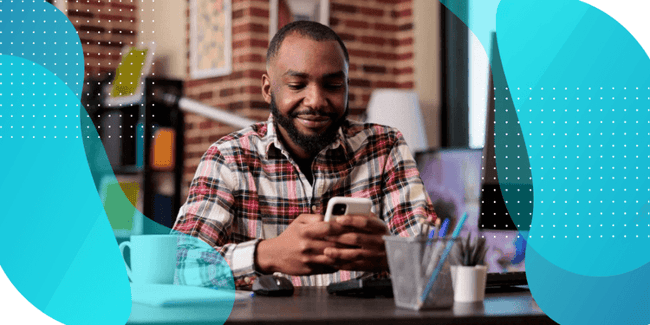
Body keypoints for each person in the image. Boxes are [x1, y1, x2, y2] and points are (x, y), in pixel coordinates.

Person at [172, 21, 436, 289]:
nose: (316, 101)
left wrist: (393, 254)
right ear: (268, 89)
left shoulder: (385, 147)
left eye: (333, 85)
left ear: (346, 86)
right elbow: (179, 265)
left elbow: (436, 257)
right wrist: (267, 254)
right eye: (297, 85)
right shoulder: (228, 158)